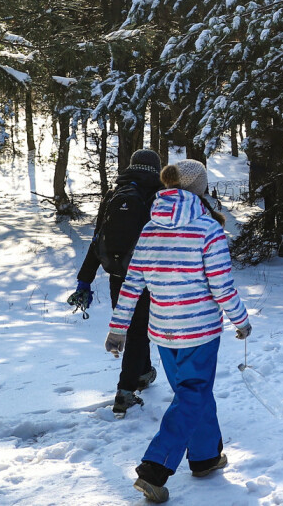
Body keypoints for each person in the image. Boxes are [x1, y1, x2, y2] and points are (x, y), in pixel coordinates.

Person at [107, 159, 251, 504]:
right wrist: (240, 320)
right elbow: (222, 286)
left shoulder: (151, 228)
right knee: (193, 394)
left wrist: (118, 329)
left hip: (163, 332)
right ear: (200, 189)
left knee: (193, 394)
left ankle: (204, 458)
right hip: (199, 331)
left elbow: (132, 285)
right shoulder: (207, 229)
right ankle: (154, 469)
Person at [67, 148, 163, 417]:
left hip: (118, 275)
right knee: (137, 332)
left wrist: (84, 281)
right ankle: (125, 392)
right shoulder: (158, 195)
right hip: (146, 277)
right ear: (156, 169)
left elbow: (98, 239)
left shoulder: (113, 194)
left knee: (133, 329)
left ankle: (142, 373)